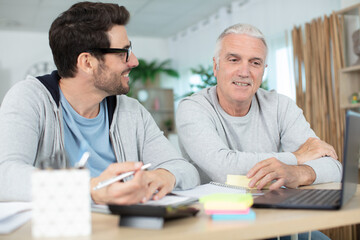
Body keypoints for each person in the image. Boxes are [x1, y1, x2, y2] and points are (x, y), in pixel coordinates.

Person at [0, 2, 200, 204]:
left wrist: (163, 176)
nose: (135, 61)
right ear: (87, 62)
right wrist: (90, 189)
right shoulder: (29, 98)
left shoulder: (131, 111)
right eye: (123, 52)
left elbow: (184, 168)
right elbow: (6, 175)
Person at [176, 23, 342, 190]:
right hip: (213, 210)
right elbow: (223, 169)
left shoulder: (280, 106)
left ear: (264, 70)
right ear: (215, 66)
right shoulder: (192, 108)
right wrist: (297, 158)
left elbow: (332, 166)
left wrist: (297, 173)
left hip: (271, 206)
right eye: (234, 60)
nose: (244, 72)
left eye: (255, 63)